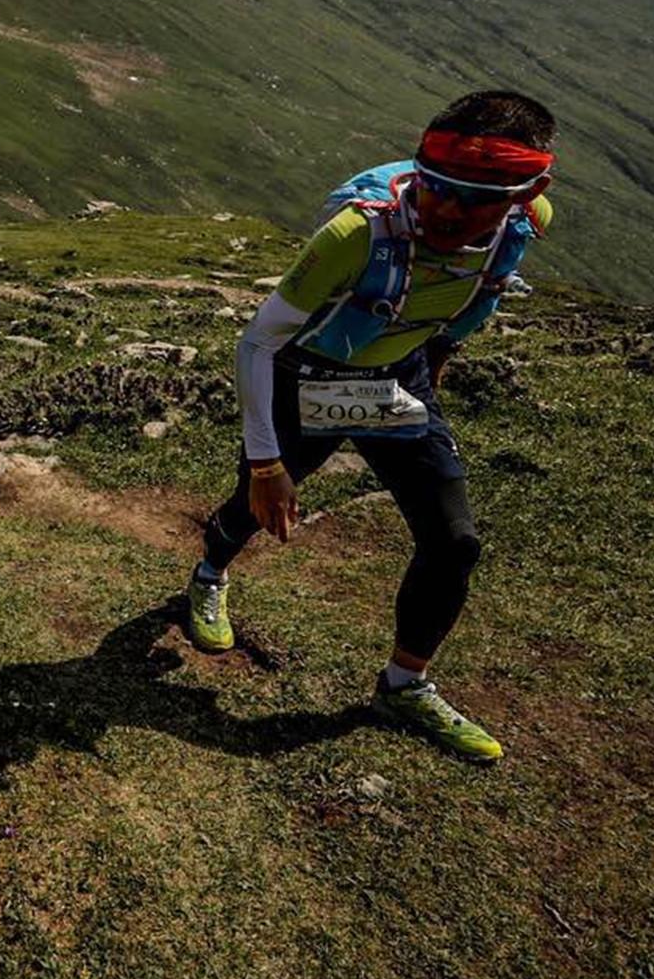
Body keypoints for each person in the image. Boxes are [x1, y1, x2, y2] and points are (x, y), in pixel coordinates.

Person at [186, 91, 556, 761]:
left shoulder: (525, 222)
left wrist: (433, 362)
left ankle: (404, 682)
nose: (444, 207)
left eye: (471, 197)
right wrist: (267, 463)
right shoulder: (358, 234)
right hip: (309, 375)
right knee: (259, 501)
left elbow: (473, 297)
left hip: (393, 378)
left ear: (528, 191)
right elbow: (258, 342)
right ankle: (210, 572)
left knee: (454, 542)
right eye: (434, 185)